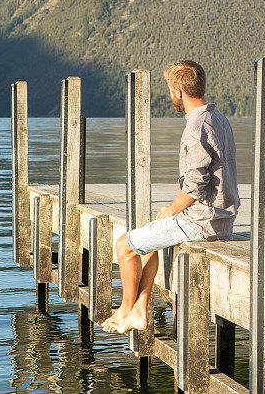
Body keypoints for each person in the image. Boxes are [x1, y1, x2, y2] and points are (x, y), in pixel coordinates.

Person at [102, 60, 240, 334]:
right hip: (222, 218)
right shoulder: (219, 119)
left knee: (124, 247)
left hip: (202, 222)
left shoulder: (196, 127)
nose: (169, 95)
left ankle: (126, 310)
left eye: (169, 89)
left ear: (178, 91)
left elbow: (195, 183)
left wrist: (173, 210)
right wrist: (171, 211)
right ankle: (141, 308)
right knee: (150, 235)